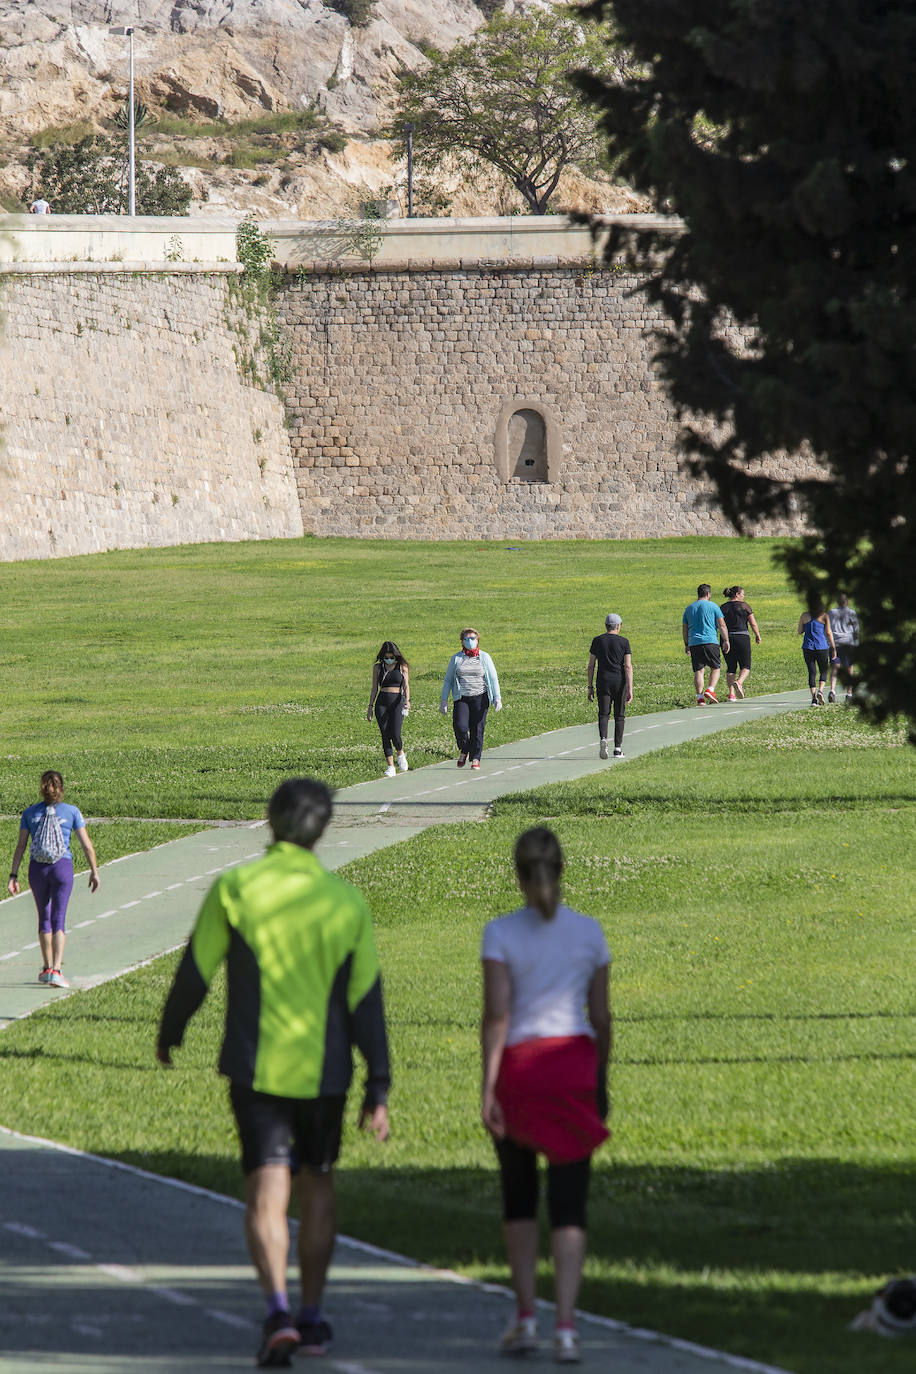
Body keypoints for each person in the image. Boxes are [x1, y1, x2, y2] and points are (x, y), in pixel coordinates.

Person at [156, 778, 390, 1369]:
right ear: (323, 829)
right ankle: (311, 1318)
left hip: (255, 1069)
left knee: (267, 1190)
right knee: (318, 1187)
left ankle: (278, 1312)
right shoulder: (346, 902)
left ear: (270, 820)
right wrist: (378, 1082)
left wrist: (171, 1030)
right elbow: (366, 1002)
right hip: (327, 1073)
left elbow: (195, 972)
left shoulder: (236, 888)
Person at [481, 828, 611, 1365]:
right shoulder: (589, 933)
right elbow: (601, 1017)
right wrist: (600, 1078)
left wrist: (488, 1085)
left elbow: (497, 1015)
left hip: (521, 1068)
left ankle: (526, 1317)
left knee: (519, 1199)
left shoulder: (501, 933)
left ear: (518, 874)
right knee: (569, 1202)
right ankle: (566, 1327)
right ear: (562, 870)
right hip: (573, 1065)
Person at [8, 769, 100, 989]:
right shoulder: (72, 812)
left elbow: (21, 846)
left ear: (41, 789)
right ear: (62, 788)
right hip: (62, 868)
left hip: (37, 870)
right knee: (59, 917)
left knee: (44, 917)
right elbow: (87, 845)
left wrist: (13, 874)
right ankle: (57, 970)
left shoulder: (29, 813)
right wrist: (94, 871)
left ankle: (47, 967)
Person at [440, 626, 502, 769]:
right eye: (466, 639)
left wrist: (497, 698)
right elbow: (448, 680)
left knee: (477, 728)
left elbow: (493, 678)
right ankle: (465, 749)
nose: (470, 641)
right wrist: (444, 700)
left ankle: (475, 758)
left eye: (472, 638)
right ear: (462, 641)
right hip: (462, 698)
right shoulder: (456, 658)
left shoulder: (484, 657)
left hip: (480, 697)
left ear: (478, 640)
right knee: (460, 727)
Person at [586, 613, 633, 759]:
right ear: (618, 626)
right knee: (619, 715)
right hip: (619, 682)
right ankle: (617, 749)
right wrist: (630, 688)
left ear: (606, 625)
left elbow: (591, 665)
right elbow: (628, 666)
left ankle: (603, 739)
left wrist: (590, 686)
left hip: (603, 681)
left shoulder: (597, 641)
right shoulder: (624, 642)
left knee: (603, 713)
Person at [366, 640, 410, 776]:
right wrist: (370, 706)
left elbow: (406, 686)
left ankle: (400, 753)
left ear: (396, 656)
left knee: (395, 733)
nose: (389, 660)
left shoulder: (402, 667)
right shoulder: (378, 668)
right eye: (386, 657)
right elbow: (374, 688)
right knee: (385, 734)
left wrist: (407, 701)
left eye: (392, 657)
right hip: (382, 703)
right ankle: (391, 766)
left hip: (397, 702)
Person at [682, 584, 730, 705]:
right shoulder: (713, 606)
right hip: (710, 641)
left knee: (699, 670)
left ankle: (700, 697)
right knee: (715, 667)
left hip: (694, 642)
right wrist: (726, 640)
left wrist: (686, 643)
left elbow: (685, 629)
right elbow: (722, 625)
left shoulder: (689, 608)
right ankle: (710, 689)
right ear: (708, 594)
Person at [720, 586, 761, 701]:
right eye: (742, 594)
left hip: (726, 638)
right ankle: (739, 682)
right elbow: (753, 623)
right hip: (742, 637)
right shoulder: (745, 606)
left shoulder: (722, 608)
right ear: (737, 594)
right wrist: (757, 634)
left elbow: (719, 623)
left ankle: (731, 694)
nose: (743, 596)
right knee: (745, 665)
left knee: (731, 667)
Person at [798, 603, 837, 705]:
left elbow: (799, 631)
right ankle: (820, 690)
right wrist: (833, 647)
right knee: (823, 670)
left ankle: (814, 698)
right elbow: (828, 633)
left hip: (808, 647)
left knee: (812, 672)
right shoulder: (824, 616)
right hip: (822, 646)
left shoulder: (804, 615)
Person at [828, 592, 860, 704]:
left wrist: (829, 643)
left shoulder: (831, 612)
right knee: (849, 668)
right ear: (847, 602)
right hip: (848, 643)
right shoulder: (851, 613)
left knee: (835, 667)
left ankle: (832, 690)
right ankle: (849, 693)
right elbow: (856, 630)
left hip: (835, 643)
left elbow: (828, 629)